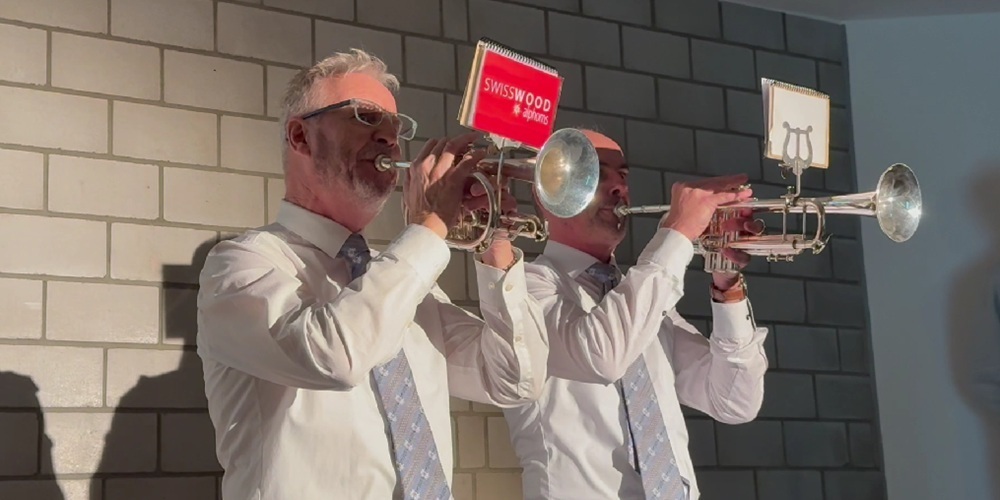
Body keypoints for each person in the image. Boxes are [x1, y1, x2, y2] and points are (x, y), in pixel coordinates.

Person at [195, 49, 549, 500]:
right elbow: (335, 356)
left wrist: (494, 240)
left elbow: (515, 381)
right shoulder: (241, 264)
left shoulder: (403, 279)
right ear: (301, 136)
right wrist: (430, 227)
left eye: (397, 126)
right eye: (365, 117)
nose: (389, 137)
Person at [501, 129, 769, 500]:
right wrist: (677, 232)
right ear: (546, 191)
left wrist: (727, 284)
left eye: (623, 175)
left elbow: (734, 401)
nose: (619, 188)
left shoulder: (641, 297)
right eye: (595, 172)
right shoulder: (524, 288)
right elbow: (602, 357)